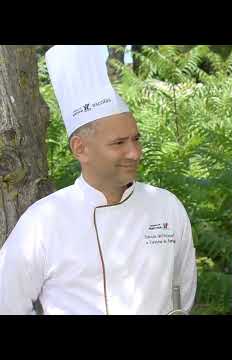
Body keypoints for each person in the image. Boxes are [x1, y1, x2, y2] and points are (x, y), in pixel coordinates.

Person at [0, 45, 197, 315]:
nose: (134, 152)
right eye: (118, 143)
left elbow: (181, 296)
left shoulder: (166, 207)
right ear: (80, 148)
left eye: (136, 139)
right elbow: (6, 303)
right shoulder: (43, 222)